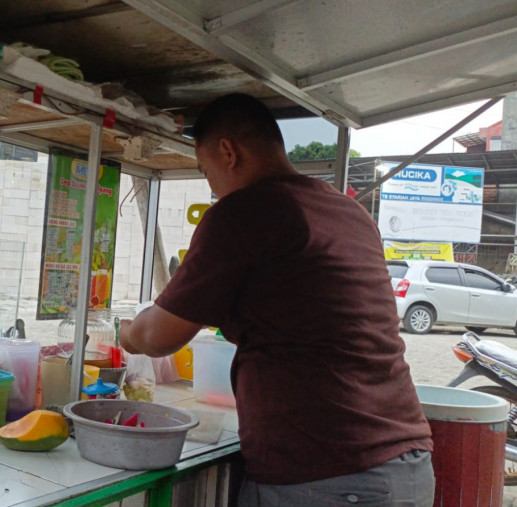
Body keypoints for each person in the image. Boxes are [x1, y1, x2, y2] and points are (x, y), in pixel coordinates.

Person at [118, 93, 434, 506]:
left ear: (228, 152)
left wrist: (126, 333)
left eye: (205, 170)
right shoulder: (349, 212)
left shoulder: (244, 212)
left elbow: (158, 337)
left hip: (327, 474)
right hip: (406, 463)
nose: (210, 185)